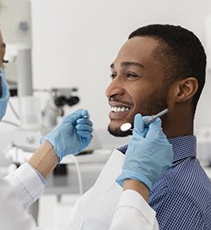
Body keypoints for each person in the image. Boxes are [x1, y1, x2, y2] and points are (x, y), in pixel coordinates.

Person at [0, 1, 172, 229]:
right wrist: (138, 184)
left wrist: (50, 152)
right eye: (2, 62)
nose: (111, 89)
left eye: (131, 75)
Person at [66, 24, 211, 230]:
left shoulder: (177, 196)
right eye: (113, 75)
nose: (110, 90)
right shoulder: (132, 167)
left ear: (183, 90)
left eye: (131, 75)